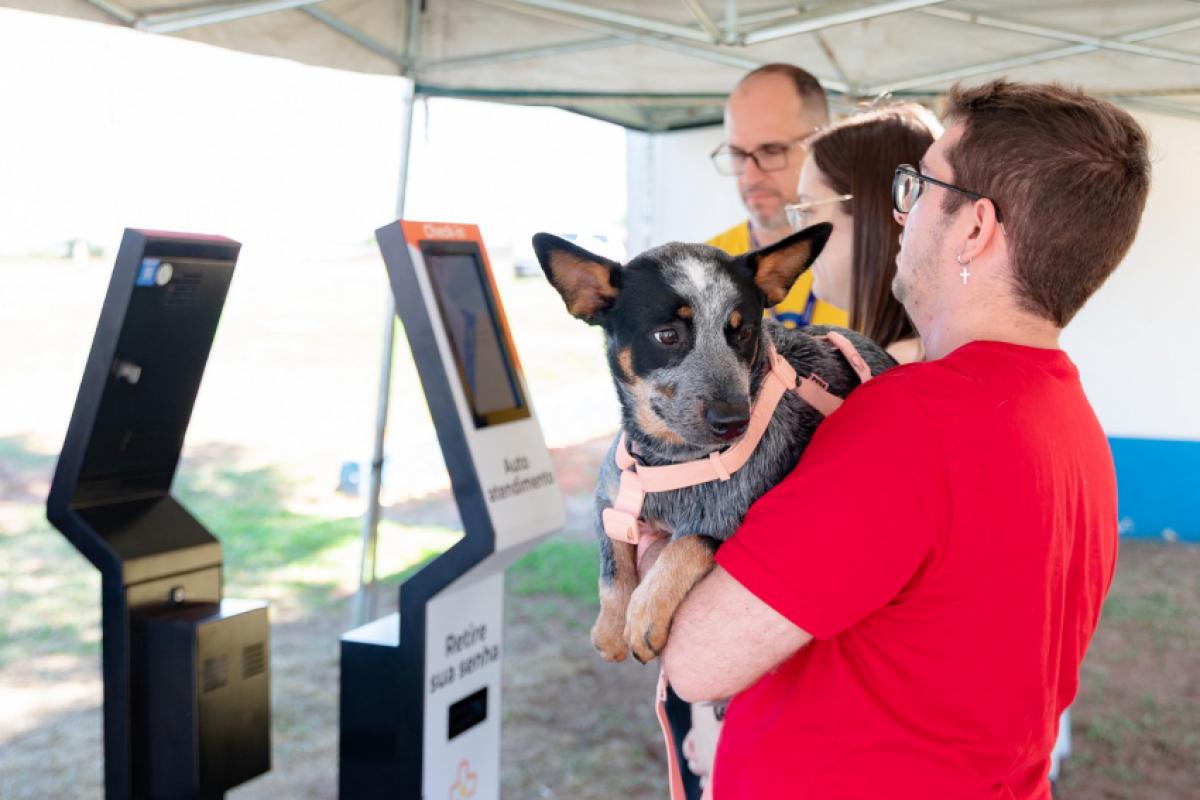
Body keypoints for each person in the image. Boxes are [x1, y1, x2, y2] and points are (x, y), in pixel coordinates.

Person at [652, 80, 1151, 798]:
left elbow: (699, 659)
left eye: (918, 186)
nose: (898, 210)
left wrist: (650, 527)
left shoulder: (913, 421)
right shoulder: (1068, 418)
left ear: (975, 228)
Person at [681, 102, 942, 795]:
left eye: (810, 210)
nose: (796, 232)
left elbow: (759, 598)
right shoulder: (876, 366)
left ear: (881, 218)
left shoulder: (890, 391)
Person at [707, 63, 847, 329]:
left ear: (823, 143)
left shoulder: (870, 264)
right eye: (738, 154)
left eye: (771, 151)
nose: (749, 177)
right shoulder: (705, 269)